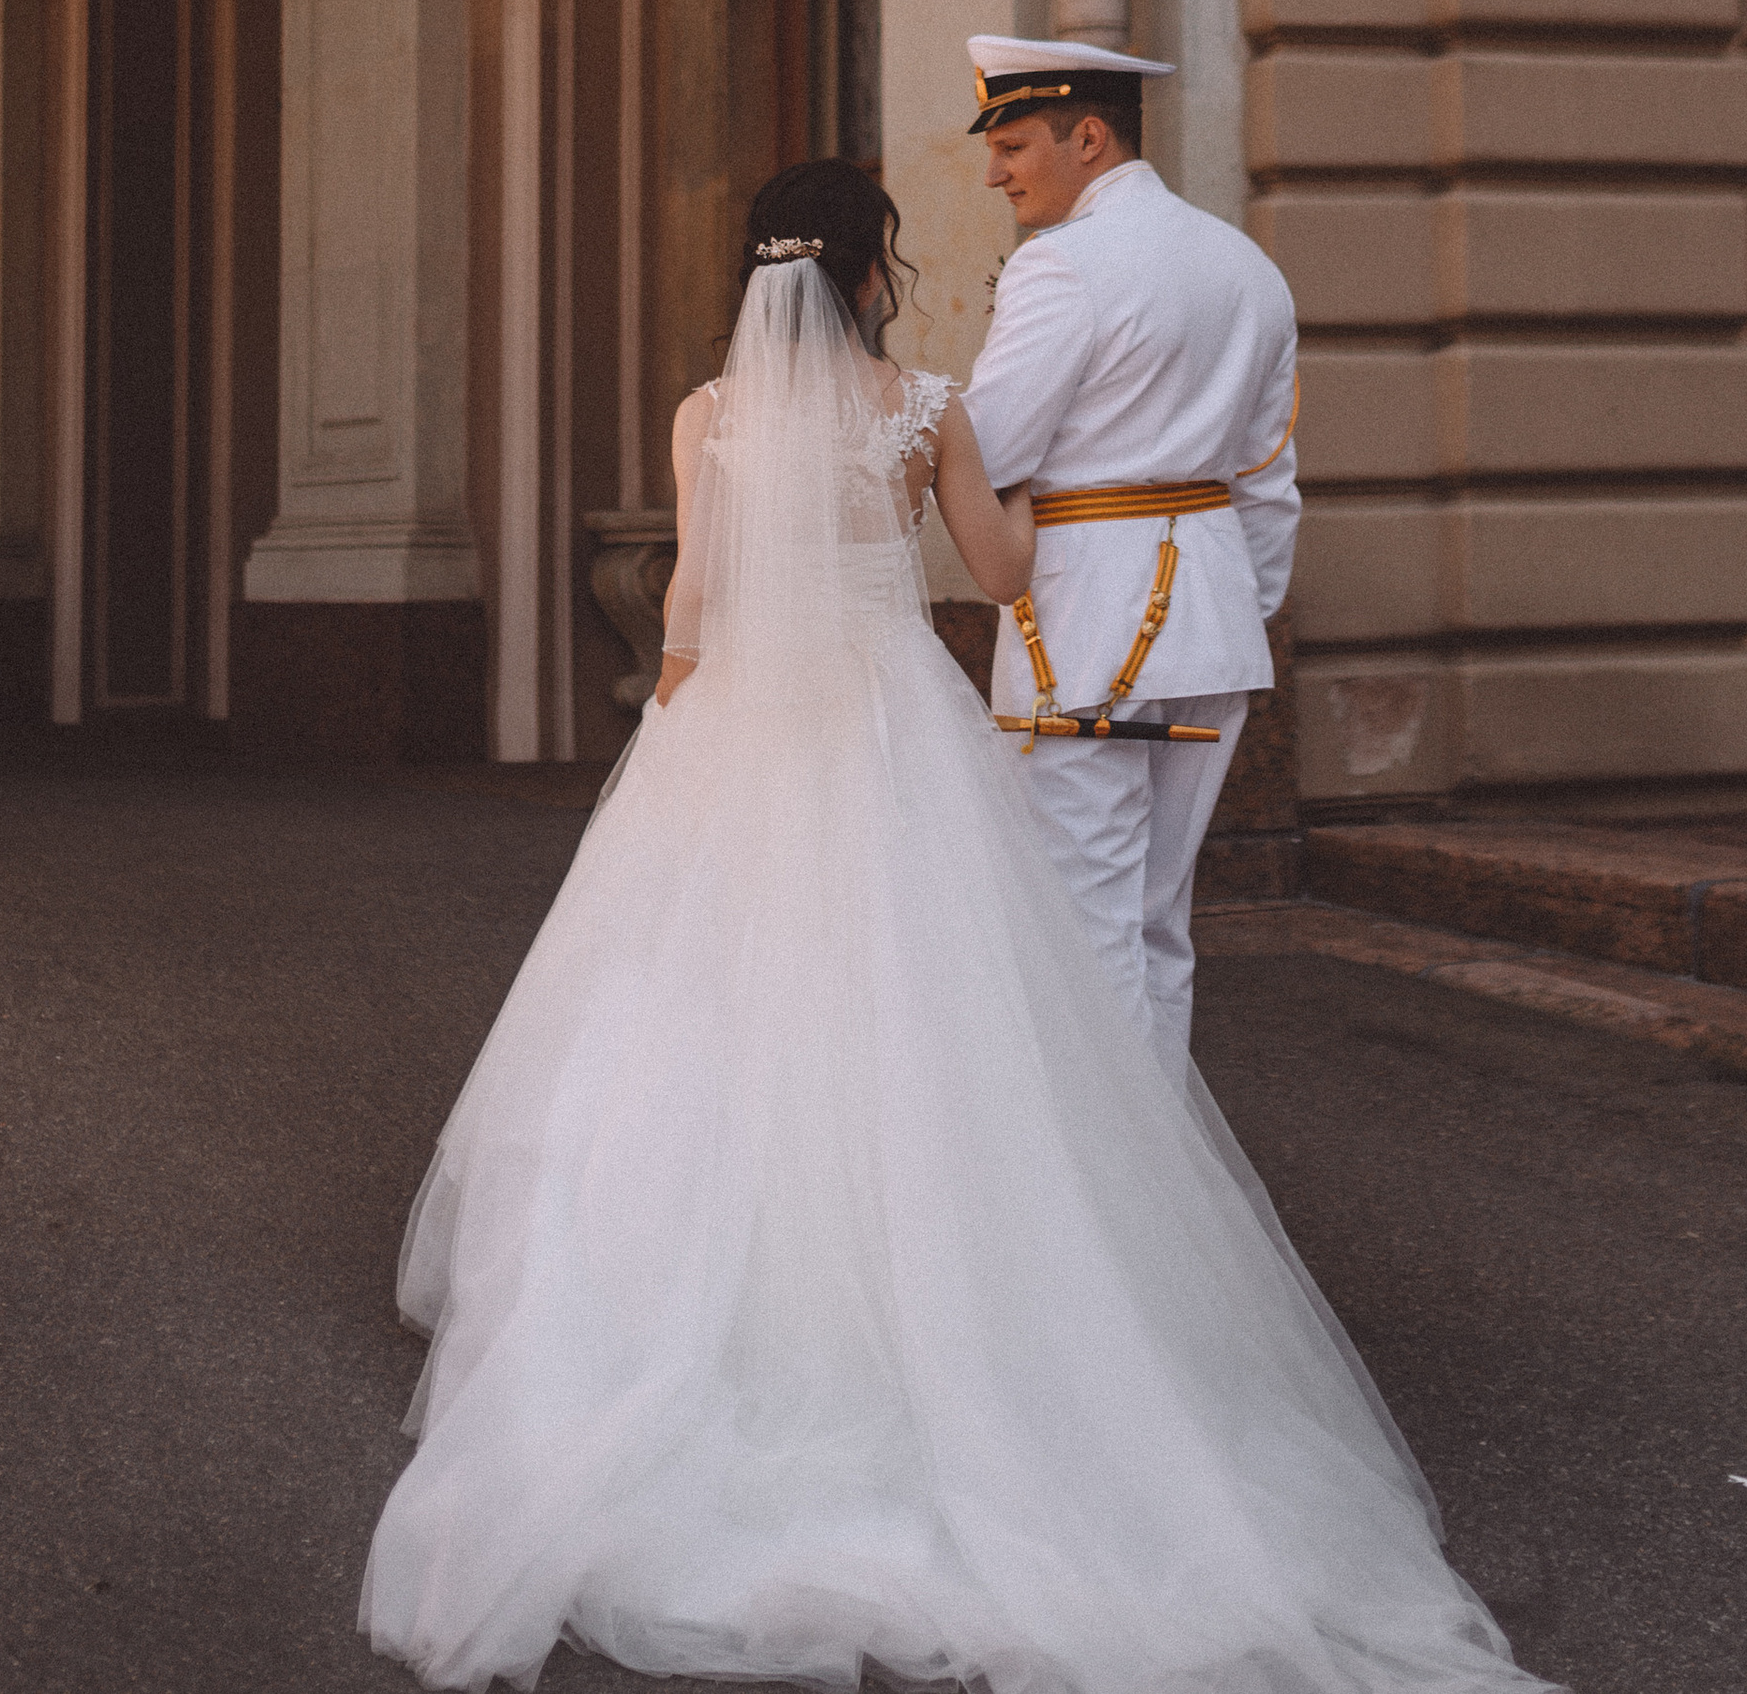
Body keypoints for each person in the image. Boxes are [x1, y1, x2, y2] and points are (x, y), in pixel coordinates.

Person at [361, 155, 1537, 1694]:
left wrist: (672, 732)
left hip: (740, 730)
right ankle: (968, 1323)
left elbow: (694, 598)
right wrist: (1069, 488)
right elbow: (1000, 569)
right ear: (872, 270)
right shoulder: (926, 407)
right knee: (931, 1012)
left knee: (694, 1007)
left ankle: (683, 1317)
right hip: (889, 724)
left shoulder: (709, 414)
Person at [963, 33, 1299, 1072]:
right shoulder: (1247, 265)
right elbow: (1268, 481)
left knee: (1081, 916)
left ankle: (1105, 1171)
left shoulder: (1060, 265)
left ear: (1089, 139)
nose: (995, 174)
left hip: (1082, 626)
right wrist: (1234, 606)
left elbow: (990, 452)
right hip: (1215, 623)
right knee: (1157, 919)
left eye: (1013, 145)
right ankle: (1159, 1159)